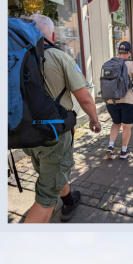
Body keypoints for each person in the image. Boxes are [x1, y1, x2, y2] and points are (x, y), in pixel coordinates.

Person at [23, 14, 102, 224]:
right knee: (46, 198)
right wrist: (94, 120)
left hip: (25, 133)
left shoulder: (17, 57)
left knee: (51, 172)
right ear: (53, 34)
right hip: (53, 134)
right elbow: (84, 98)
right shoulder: (59, 57)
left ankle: (68, 200)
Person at [105, 41, 133, 159]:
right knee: (126, 126)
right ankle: (124, 151)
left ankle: (110, 147)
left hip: (111, 100)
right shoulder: (132, 65)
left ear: (119, 51)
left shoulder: (109, 64)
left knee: (116, 123)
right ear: (129, 52)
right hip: (127, 100)